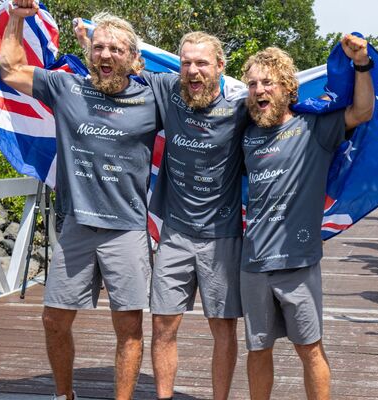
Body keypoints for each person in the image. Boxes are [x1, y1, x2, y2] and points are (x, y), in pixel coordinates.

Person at [0, 2, 160, 399]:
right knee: (53, 320)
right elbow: (9, 69)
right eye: (99, 48)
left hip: (127, 227)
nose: (106, 55)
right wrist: (17, 18)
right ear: (89, 52)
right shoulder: (65, 87)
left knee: (129, 328)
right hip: (77, 226)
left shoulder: (152, 97)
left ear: (133, 59)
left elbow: (204, 98)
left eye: (116, 50)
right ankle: (63, 395)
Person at [239, 38, 373, 399]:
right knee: (257, 349)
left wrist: (361, 64)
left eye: (267, 82)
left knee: (309, 349)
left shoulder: (315, 127)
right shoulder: (247, 134)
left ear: (286, 87)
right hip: (253, 263)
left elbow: (361, 112)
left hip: (298, 263)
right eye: (252, 84)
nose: (258, 90)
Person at [138, 31, 248, 400]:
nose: (192, 70)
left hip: (223, 236)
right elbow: (123, 64)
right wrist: (89, 38)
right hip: (175, 233)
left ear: (220, 66)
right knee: (163, 325)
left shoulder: (241, 110)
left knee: (223, 329)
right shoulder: (169, 92)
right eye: (186, 62)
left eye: (202, 63)